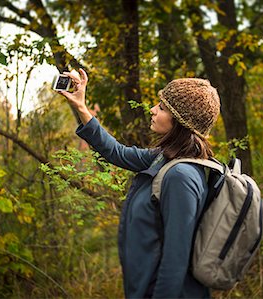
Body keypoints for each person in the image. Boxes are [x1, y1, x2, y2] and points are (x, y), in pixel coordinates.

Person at [59, 68, 221, 298]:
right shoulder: (163, 159)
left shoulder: (181, 177)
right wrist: (81, 107)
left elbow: (176, 261)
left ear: (181, 123)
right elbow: (117, 153)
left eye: (162, 108)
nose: (153, 110)